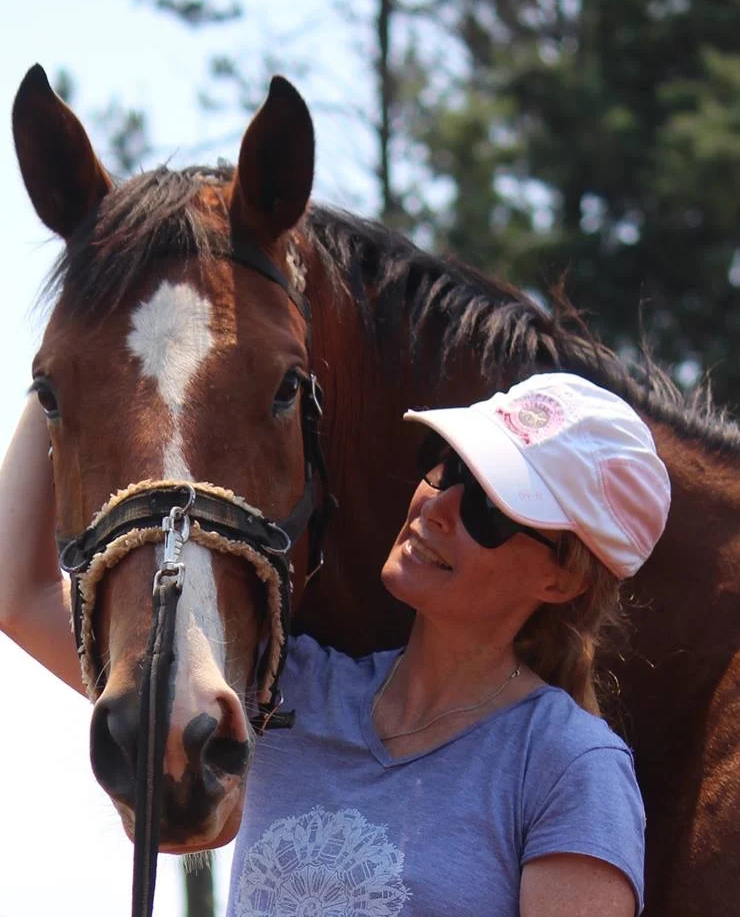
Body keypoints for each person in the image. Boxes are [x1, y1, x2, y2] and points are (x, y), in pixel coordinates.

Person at [0, 372, 670, 916]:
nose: (436, 505)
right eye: (444, 467)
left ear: (563, 579)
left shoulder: (569, 766)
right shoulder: (290, 690)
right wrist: (54, 367)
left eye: (489, 509)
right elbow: (19, 594)